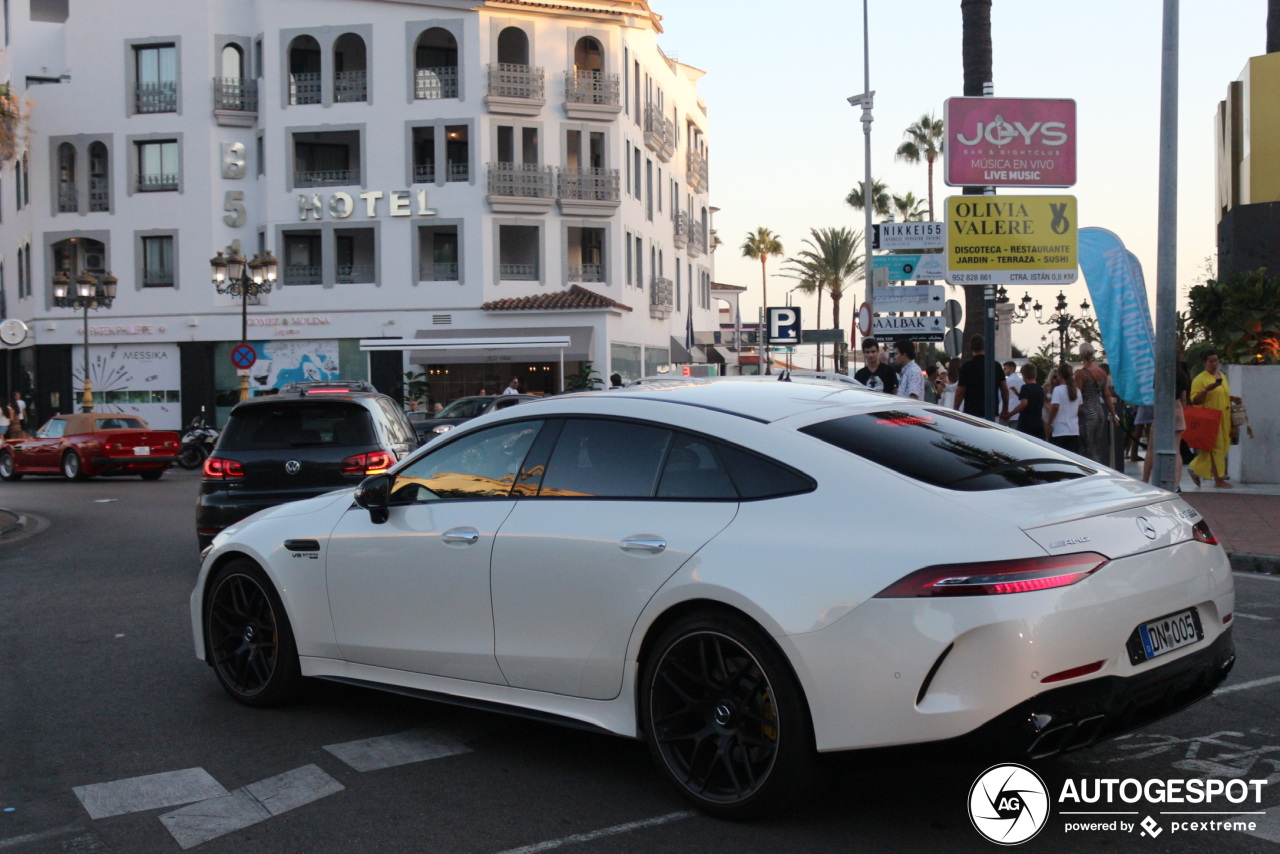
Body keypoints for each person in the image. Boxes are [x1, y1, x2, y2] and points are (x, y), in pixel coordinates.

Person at [1142, 360, 1190, 488]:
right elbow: (1184, 397)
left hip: (1163, 408)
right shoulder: (1182, 374)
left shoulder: (1160, 373)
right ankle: (1176, 484)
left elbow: (1156, 394)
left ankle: (1145, 481)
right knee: (1176, 449)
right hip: (1178, 407)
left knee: (1151, 448)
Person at [1189, 348, 1232, 488]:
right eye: (1211, 361)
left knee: (1220, 447)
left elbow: (1222, 395)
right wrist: (1207, 389)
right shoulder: (1200, 379)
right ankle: (1219, 479)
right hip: (1210, 419)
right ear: (1205, 363)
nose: (1214, 364)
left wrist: (1234, 398)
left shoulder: (1222, 376)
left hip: (1224, 416)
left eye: (1216, 361)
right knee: (1216, 448)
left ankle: (1195, 468)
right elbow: (1195, 400)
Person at [1074, 342, 1117, 466]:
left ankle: (1089, 471)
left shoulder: (1081, 373)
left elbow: (1077, 396)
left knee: (1086, 447)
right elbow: (1107, 395)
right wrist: (1114, 415)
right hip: (1099, 411)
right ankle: (1098, 468)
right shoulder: (1101, 372)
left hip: (1086, 412)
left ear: (1081, 354)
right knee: (1096, 447)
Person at [953, 334, 1008, 420]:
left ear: (970, 348)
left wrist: (955, 409)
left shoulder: (966, 367)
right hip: (992, 412)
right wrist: (1005, 409)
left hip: (971, 413)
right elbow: (1004, 389)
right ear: (985, 347)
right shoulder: (995, 365)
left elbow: (960, 391)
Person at [1045, 363, 1081, 453]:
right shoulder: (1077, 391)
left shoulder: (1058, 390)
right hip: (1074, 430)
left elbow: (1054, 408)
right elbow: (1079, 408)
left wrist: (1049, 423)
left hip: (1059, 430)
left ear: (1060, 375)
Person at [1008, 363, 1045, 439]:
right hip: (1038, 423)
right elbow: (1032, 399)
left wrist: (1010, 414)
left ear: (1025, 376)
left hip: (1026, 424)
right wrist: (1018, 394)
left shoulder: (1025, 387)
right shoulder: (1040, 389)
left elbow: (1024, 403)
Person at [1002, 360, 1024, 427]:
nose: (1004, 370)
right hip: (1016, 413)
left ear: (1011, 369)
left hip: (1005, 412)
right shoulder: (1022, 382)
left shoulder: (1006, 382)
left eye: (1005, 368)